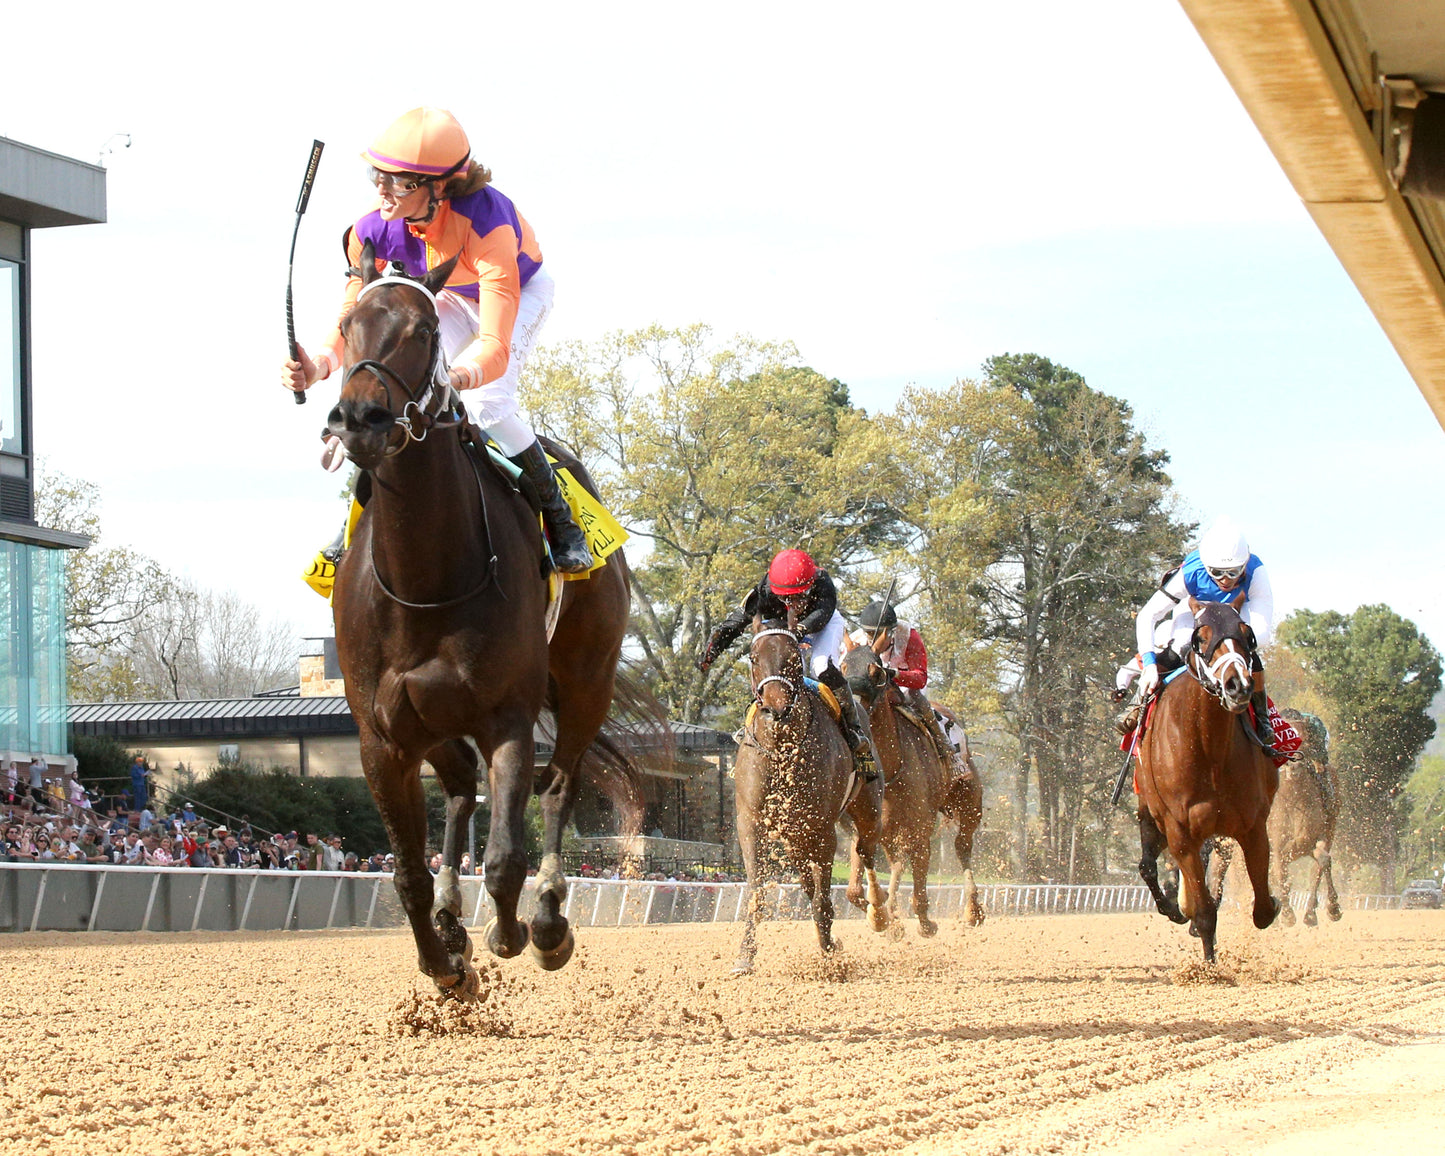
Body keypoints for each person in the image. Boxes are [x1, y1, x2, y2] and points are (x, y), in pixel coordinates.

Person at [282, 106, 593, 576]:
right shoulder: (369, 230)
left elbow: (493, 344)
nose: (382, 191)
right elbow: (354, 319)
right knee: (398, 384)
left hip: (517, 293)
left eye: (401, 182)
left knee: (489, 401)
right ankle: (360, 513)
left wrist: (457, 375)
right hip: (447, 294)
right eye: (378, 175)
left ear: (439, 187)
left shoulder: (488, 224)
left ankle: (562, 520)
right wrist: (321, 363)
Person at [699, 548, 875, 777]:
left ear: (811, 585)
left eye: (801, 596)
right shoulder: (763, 592)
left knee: (820, 666)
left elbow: (822, 613)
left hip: (823, 624)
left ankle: (854, 730)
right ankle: (750, 729)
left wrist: (801, 628)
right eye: (787, 598)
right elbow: (734, 623)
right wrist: (710, 653)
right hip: (785, 627)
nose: (795, 603)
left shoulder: (823, 583)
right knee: (772, 667)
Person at [1126, 516, 1279, 753]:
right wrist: (1148, 664)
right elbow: (1148, 615)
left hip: (1237, 610)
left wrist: (1234, 644)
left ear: (1245, 565)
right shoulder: (1191, 570)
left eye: (1234, 572)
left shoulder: (1256, 572)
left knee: (1245, 648)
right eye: (1217, 573)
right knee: (1180, 646)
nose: (1226, 581)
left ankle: (1262, 719)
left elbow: (1262, 633)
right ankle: (1137, 705)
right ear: (1206, 566)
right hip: (1198, 607)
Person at [848, 600, 966, 779]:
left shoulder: (909, 636)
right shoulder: (856, 641)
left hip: (904, 684)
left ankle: (945, 747)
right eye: (870, 633)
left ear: (891, 632)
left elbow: (920, 677)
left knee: (915, 697)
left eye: (878, 634)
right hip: (872, 687)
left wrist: (894, 674)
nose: (873, 639)